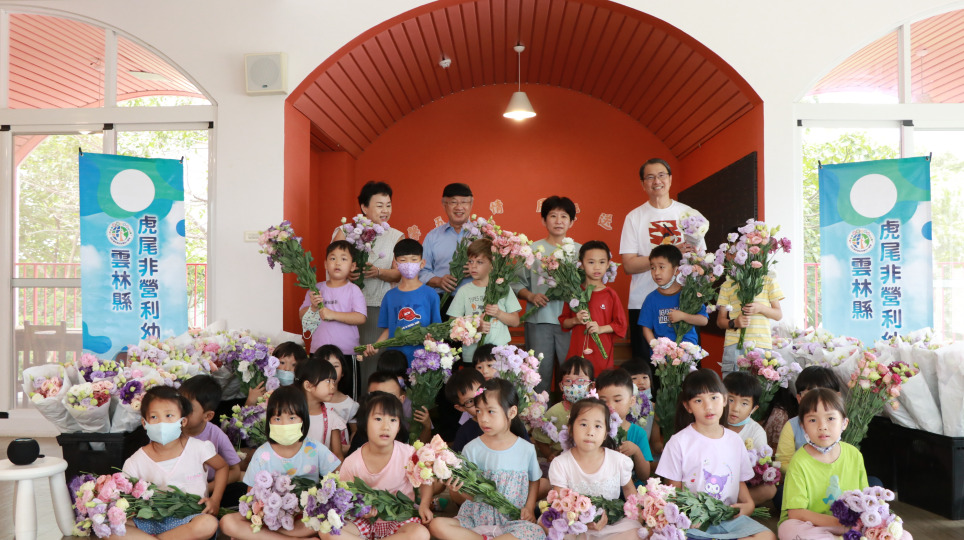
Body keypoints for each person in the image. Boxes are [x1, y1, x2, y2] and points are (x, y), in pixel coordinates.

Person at [656, 369, 774, 540]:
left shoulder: (734, 440)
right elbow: (673, 492)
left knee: (767, 536)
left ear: (724, 399)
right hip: (694, 521)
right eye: (698, 400)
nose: (708, 407)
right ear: (688, 407)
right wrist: (685, 516)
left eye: (713, 397)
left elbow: (738, 479)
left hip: (728, 517)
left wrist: (748, 504)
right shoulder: (678, 442)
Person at [778, 390, 911, 540]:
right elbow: (796, 513)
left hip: (852, 525)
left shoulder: (854, 454)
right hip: (815, 525)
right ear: (803, 426)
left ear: (844, 423)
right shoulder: (799, 461)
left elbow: (866, 501)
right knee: (788, 528)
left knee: (904, 536)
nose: (822, 426)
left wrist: (867, 524)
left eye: (830, 418)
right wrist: (838, 523)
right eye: (813, 420)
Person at [427, 379, 544, 540]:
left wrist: (529, 508)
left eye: (490, 411)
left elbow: (534, 480)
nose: (483, 419)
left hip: (512, 521)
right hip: (475, 520)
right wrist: (459, 489)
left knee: (536, 532)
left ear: (512, 412)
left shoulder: (526, 449)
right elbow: (471, 495)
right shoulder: (472, 449)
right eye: (479, 411)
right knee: (436, 525)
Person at [219, 386, 341, 539]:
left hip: (304, 518)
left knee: (324, 518)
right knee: (227, 522)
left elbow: (339, 477)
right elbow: (252, 497)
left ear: (303, 419)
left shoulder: (314, 448)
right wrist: (263, 512)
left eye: (292, 418)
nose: (284, 424)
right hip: (270, 519)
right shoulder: (262, 454)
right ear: (269, 421)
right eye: (277, 419)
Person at [619, 158, 706, 360]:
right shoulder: (634, 217)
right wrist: (672, 251)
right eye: (650, 177)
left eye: (661, 175)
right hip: (643, 302)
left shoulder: (690, 214)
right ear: (643, 184)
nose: (656, 181)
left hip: (683, 303)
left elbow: (701, 260)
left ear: (670, 179)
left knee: (685, 364)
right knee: (646, 367)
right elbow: (628, 265)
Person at [119, 386, 227, 539]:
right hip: (152, 521)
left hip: (189, 519)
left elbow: (222, 467)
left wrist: (215, 500)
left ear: (183, 421)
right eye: (154, 417)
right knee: (110, 527)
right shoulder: (135, 461)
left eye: (169, 415)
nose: (162, 423)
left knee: (208, 523)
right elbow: (126, 499)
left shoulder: (198, 448)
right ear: (144, 423)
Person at [325, 392, 433, 540]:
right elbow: (345, 497)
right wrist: (361, 509)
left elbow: (426, 481)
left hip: (399, 519)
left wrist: (424, 505)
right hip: (364, 522)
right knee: (327, 530)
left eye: (393, 420)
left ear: (399, 426)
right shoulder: (352, 462)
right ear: (364, 423)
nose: (386, 426)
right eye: (378, 419)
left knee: (420, 534)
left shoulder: (409, 454)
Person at [332, 181, 405, 394]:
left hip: (377, 307)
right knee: (344, 363)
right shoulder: (345, 232)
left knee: (372, 361)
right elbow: (332, 266)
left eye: (388, 205)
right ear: (364, 207)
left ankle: (370, 405)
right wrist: (347, 273)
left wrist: (378, 272)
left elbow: (399, 274)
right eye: (379, 205)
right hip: (345, 308)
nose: (385, 210)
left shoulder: (396, 236)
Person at [548, 398, 643, 540]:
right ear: (570, 428)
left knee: (636, 532)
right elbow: (560, 503)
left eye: (598, 426)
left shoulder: (618, 461)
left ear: (606, 433)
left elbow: (629, 490)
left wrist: (638, 517)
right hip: (575, 526)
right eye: (583, 424)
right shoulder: (561, 464)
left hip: (612, 526)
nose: (590, 432)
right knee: (553, 529)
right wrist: (581, 520)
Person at [513, 195, 580, 393]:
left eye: (564, 216)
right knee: (538, 376)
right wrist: (531, 296)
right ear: (543, 220)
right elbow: (515, 283)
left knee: (572, 377)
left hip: (572, 322)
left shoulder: (580, 251)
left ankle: (569, 412)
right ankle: (538, 412)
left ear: (572, 221)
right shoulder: (532, 250)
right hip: (539, 320)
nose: (558, 221)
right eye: (553, 216)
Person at [365, 239, 443, 363]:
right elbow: (389, 328)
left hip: (422, 360)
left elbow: (436, 329)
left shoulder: (431, 294)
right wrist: (376, 346)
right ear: (395, 264)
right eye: (403, 260)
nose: (408, 264)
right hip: (396, 359)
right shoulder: (389, 296)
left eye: (414, 259)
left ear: (422, 263)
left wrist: (434, 344)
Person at [715, 240, 784, 376]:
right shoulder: (727, 285)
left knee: (758, 387)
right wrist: (734, 323)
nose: (738, 256)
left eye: (742, 251)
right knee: (733, 386)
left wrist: (760, 308)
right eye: (732, 252)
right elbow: (720, 321)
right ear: (728, 256)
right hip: (734, 344)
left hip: (761, 344)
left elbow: (778, 314)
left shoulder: (767, 281)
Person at [447, 238, 522, 362]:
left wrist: (498, 313)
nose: (473, 266)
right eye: (470, 261)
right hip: (472, 356)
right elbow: (452, 324)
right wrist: (475, 328)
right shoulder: (464, 291)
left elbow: (515, 321)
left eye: (480, 262)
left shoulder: (503, 288)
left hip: (499, 355)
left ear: (492, 265)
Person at [558, 241, 627, 374]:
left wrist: (600, 329)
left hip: (602, 356)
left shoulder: (610, 294)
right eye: (591, 262)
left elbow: (620, 325)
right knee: (578, 382)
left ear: (608, 264)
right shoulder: (574, 293)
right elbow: (564, 323)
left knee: (601, 383)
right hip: (578, 354)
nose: (597, 267)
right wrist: (576, 320)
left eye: (602, 262)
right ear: (581, 264)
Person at [299, 240, 368, 355]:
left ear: (352, 266)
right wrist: (313, 307)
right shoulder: (315, 289)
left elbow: (361, 317)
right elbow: (302, 316)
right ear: (326, 264)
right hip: (318, 350)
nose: (337, 263)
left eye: (343, 259)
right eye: (333, 258)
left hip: (346, 352)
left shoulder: (354, 290)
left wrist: (333, 315)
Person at [177, 375, 243, 490]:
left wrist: (207, 488)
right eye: (179, 404)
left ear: (208, 416)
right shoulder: (169, 429)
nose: (180, 411)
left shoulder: (216, 434)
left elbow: (235, 471)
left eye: (188, 408)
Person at [774, 366, 842, 476]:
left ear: (837, 397)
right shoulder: (792, 426)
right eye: (810, 394)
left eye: (825, 394)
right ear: (799, 398)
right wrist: (810, 473)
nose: (818, 400)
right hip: (801, 479)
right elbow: (783, 462)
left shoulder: (840, 423)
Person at [639, 244, 708, 344]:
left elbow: (703, 320)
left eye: (661, 267)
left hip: (688, 351)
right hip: (663, 352)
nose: (656, 272)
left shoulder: (689, 294)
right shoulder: (651, 299)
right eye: (653, 268)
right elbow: (646, 328)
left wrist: (683, 316)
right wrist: (656, 346)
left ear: (676, 270)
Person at [723, 372, 774, 505]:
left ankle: (726, 505)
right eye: (731, 400)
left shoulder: (756, 432)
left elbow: (759, 468)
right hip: (712, 479)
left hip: (741, 484)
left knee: (769, 490)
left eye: (744, 403)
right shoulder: (712, 422)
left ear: (754, 409)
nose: (735, 408)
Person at [594, 369, 653, 482]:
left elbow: (645, 475)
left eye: (617, 400)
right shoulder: (594, 431)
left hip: (633, 490)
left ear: (632, 401)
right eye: (603, 401)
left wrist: (636, 451)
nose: (610, 406)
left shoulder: (638, 433)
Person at [419, 182, 475, 300]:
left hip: (475, 299)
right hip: (442, 299)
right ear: (444, 204)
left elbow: (495, 270)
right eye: (453, 202)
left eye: (464, 202)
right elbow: (422, 271)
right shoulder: (432, 237)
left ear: (471, 204)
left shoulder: (483, 235)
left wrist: (478, 270)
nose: (459, 207)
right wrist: (438, 281)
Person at [532, 356, 594, 460]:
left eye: (580, 380)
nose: (574, 385)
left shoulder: (597, 411)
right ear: (561, 386)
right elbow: (540, 438)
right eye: (568, 381)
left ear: (591, 386)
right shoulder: (554, 412)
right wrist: (549, 455)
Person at [295, 356, 347, 460]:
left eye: (333, 381)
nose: (332, 386)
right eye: (328, 381)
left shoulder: (332, 417)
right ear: (308, 386)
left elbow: (337, 455)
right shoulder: (290, 414)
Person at [313, 345, 360, 442]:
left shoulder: (350, 405)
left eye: (335, 366)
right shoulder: (310, 399)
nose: (331, 370)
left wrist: (348, 448)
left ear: (343, 372)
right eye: (325, 365)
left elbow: (355, 432)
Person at [243, 343, 303, 407]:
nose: (287, 369)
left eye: (294, 365)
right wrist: (250, 401)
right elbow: (246, 412)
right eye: (282, 363)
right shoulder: (264, 387)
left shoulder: (302, 392)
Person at [619, 358, 659, 450]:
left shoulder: (654, 407)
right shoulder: (620, 407)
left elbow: (655, 442)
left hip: (644, 453)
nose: (641, 382)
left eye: (645, 377)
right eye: (634, 378)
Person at [445, 368, 486, 452]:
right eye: (470, 401)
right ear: (461, 408)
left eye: (480, 393)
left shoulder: (506, 418)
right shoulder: (464, 433)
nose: (478, 402)